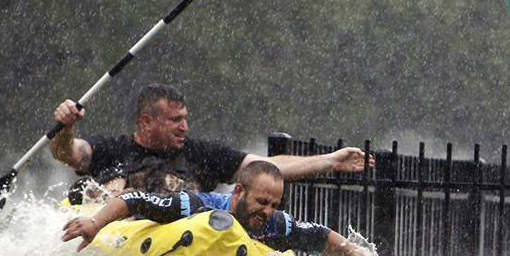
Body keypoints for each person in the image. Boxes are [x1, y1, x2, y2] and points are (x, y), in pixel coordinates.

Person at [50, 83, 372, 196]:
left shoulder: (203, 153)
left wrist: (331, 160)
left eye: (185, 118)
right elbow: (69, 154)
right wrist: (66, 126)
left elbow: (267, 167)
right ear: (147, 122)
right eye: (175, 120)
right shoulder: (112, 149)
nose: (185, 127)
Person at [61, 160, 378, 256]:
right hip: (147, 238)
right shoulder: (197, 204)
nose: (267, 211)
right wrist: (95, 223)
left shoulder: (273, 223)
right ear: (238, 191)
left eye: (274, 204)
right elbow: (134, 199)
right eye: (262, 201)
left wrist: (355, 254)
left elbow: (318, 235)